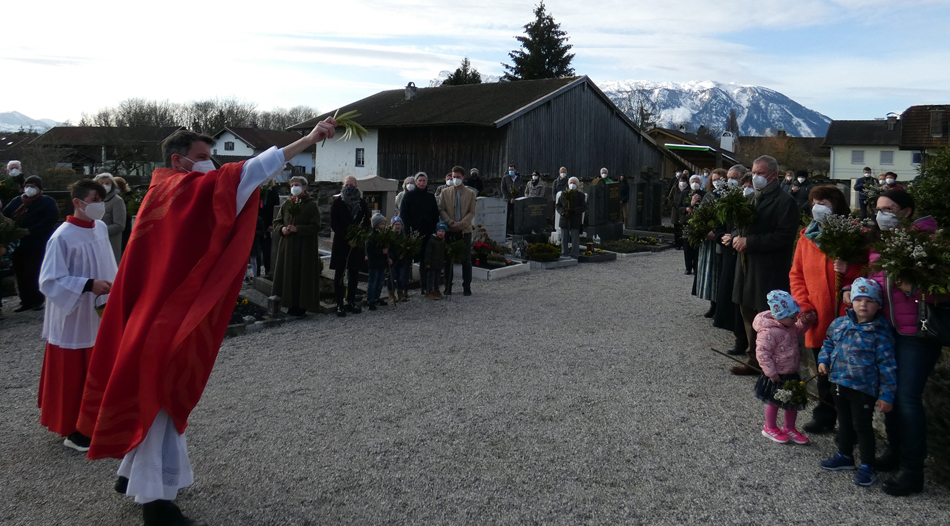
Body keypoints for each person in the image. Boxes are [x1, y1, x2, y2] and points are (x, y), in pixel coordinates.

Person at [77, 118, 337, 526]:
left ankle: (131, 475)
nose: (211, 164)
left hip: (151, 310)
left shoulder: (159, 190)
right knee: (160, 394)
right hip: (165, 316)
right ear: (179, 161)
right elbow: (250, 172)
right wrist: (309, 138)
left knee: (157, 390)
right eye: (202, 157)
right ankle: (155, 502)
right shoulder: (181, 191)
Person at [863, 190, 941, 495]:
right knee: (891, 396)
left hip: (916, 334)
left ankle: (913, 470)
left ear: (907, 212)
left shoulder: (927, 241)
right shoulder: (882, 242)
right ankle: (894, 453)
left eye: (889, 209)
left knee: (907, 399)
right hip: (887, 331)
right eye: (879, 209)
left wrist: (916, 289)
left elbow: (942, 290)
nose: (881, 214)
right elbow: (878, 283)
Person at [37, 179, 118, 452]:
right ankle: (75, 428)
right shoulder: (62, 236)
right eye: (94, 200)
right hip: (73, 313)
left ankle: (98, 420)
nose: (98, 206)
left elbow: (108, 262)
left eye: (101, 201)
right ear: (77, 202)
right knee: (74, 373)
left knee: (102, 363)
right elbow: (49, 281)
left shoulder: (101, 228)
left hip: (99, 308)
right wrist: (87, 284)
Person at [790, 186, 865, 435]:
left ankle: (850, 425)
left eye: (823, 202)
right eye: (813, 202)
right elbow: (797, 274)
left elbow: (869, 271)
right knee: (822, 369)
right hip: (818, 314)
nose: (817, 206)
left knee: (846, 371)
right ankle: (824, 415)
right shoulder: (806, 237)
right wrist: (804, 305)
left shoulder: (854, 235)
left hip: (845, 314)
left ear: (836, 205)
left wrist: (849, 272)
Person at [818, 278, 896, 487]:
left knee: (862, 426)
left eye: (869, 300)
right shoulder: (839, 323)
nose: (863, 305)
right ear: (851, 301)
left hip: (863, 388)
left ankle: (868, 466)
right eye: (858, 299)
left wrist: (886, 395)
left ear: (878, 305)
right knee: (843, 422)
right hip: (838, 382)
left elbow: (888, 366)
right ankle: (845, 455)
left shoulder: (880, 332)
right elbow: (828, 344)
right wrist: (823, 360)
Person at [729, 155, 801, 375]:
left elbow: (784, 236)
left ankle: (770, 361)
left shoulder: (785, 202)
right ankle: (755, 358)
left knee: (766, 314)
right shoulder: (752, 197)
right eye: (754, 172)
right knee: (747, 310)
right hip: (747, 264)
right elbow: (740, 225)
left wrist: (749, 242)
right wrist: (734, 237)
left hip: (768, 267)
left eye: (760, 173)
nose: (755, 177)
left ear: (773, 175)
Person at [753, 290, 816, 444]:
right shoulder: (768, 331)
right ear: (780, 316)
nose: (796, 321)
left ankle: (789, 427)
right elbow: (762, 353)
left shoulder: (790, 325)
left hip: (791, 371)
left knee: (792, 402)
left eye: (796, 317)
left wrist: (806, 321)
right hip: (776, 374)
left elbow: (799, 329)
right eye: (793, 317)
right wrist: (771, 373)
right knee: (774, 402)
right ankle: (770, 427)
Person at [3, 174, 60, 312]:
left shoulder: (47, 201)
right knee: (20, 272)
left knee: (34, 271)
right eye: (27, 186)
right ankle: (25, 301)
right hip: (19, 243)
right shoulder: (17, 201)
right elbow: (5, 215)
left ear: (39, 188)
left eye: (32, 186)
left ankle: (38, 299)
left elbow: (50, 219)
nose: (29, 189)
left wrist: (31, 230)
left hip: (38, 242)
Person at [272, 176, 322, 318]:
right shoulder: (287, 204)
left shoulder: (311, 205)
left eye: (297, 185)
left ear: (304, 187)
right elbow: (277, 222)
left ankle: (302, 306)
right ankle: (289, 303)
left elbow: (316, 226)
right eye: (292, 185)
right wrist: (282, 229)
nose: (294, 187)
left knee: (302, 275)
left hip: (304, 247)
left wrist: (298, 229)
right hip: (288, 246)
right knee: (289, 274)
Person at [713, 166, 747, 350]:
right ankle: (736, 334)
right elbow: (719, 226)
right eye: (729, 177)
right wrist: (721, 237)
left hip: (742, 251)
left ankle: (742, 338)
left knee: (739, 296)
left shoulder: (749, 198)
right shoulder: (726, 198)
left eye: (735, 177)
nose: (731, 181)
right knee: (729, 293)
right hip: (729, 251)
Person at [330, 176, 371, 317]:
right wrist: (347, 238)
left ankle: (351, 301)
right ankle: (339, 303)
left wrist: (358, 238)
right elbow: (334, 223)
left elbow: (367, 222)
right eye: (347, 184)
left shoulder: (361, 202)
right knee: (339, 274)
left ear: (356, 185)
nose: (349, 186)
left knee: (353, 274)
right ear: (343, 185)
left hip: (357, 244)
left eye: (351, 184)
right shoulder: (338, 202)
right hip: (342, 243)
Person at [694, 168, 728, 317]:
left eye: (719, 179)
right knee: (711, 272)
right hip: (709, 239)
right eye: (714, 180)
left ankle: (721, 304)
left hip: (722, 238)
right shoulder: (709, 195)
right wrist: (706, 230)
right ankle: (712, 303)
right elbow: (702, 215)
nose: (716, 182)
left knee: (720, 271)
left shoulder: (728, 196)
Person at [438, 166, 476, 296]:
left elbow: (472, 212)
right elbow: (442, 209)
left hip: (464, 230)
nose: (455, 179)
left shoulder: (470, 194)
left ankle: (467, 286)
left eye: (458, 177)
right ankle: (448, 286)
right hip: (449, 229)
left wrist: (461, 224)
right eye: (454, 177)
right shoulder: (445, 193)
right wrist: (450, 222)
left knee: (466, 260)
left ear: (463, 177)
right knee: (448, 260)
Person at [400, 171, 439, 296]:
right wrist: (411, 229)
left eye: (424, 181)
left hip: (426, 233)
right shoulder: (408, 196)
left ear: (427, 182)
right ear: (416, 182)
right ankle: (404, 288)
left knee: (424, 261)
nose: (422, 183)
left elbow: (434, 214)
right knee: (407, 262)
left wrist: (433, 229)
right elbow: (403, 214)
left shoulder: (430, 196)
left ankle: (424, 286)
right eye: (420, 181)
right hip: (411, 233)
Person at [94, 173, 127, 264]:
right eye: (101, 183)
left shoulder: (117, 201)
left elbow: (119, 225)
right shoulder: (93, 200)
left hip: (110, 243)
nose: (104, 186)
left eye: (107, 183)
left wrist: (98, 231)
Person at [677, 174, 705, 275]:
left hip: (699, 222)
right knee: (687, 246)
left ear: (701, 183)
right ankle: (688, 267)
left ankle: (696, 267)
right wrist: (687, 208)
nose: (695, 184)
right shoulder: (685, 193)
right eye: (693, 182)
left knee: (697, 247)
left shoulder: (704, 194)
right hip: (687, 222)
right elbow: (678, 207)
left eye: (697, 182)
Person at [555, 177, 586, 258]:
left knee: (575, 238)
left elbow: (583, 207)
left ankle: (575, 254)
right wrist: (563, 212)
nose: (572, 184)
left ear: (577, 184)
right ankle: (564, 253)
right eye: (571, 182)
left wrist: (573, 211)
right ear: (568, 184)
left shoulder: (581, 196)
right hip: (564, 219)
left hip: (575, 219)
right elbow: (558, 205)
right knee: (564, 237)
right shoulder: (563, 194)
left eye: (574, 183)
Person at [364, 213, 389, 310]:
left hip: (382, 263)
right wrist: (381, 252)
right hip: (374, 263)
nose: (382, 226)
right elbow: (370, 251)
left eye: (384, 224)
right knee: (373, 282)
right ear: (375, 225)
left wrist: (387, 256)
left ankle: (376, 297)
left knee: (380, 282)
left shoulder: (384, 235)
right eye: (380, 224)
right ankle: (370, 300)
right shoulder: (371, 237)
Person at [387, 216, 410, 303]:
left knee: (401, 278)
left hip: (401, 260)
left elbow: (407, 247)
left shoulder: (403, 235)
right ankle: (391, 293)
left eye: (399, 224)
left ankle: (400, 293)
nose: (397, 226)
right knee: (391, 277)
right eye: (396, 224)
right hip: (392, 260)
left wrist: (403, 254)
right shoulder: (389, 236)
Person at [424, 222, 448, 300]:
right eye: (439, 231)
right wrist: (427, 263)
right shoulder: (432, 241)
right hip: (432, 264)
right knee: (431, 278)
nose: (441, 233)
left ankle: (436, 290)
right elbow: (428, 253)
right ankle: (429, 291)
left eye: (442, 231)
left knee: (437, 278)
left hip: (439, 263)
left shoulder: (443, 242)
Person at [501, 164, 524, 229]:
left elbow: (521, 190)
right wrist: (510, 198)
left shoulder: (519, 179)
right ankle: (505, 230)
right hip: (507, 200)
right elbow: (503, 189)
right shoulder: (505, 178)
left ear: (515, 170)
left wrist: (516, 198)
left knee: (515, 216)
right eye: (509, 170)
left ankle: (514, 230)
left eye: (512, 170)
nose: (510, 171)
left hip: (516, 201)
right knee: (506, 216)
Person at [668, 174, 688, 250]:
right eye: (680, 181)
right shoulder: (675, 188)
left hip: (684, 211)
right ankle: (677, 244)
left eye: (683, 181)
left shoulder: (688, 189)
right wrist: (675, 205)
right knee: (676, 228)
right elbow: (670, 198)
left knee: (683, 228)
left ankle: (683, 243)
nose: (682, 182)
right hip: (676, 211)